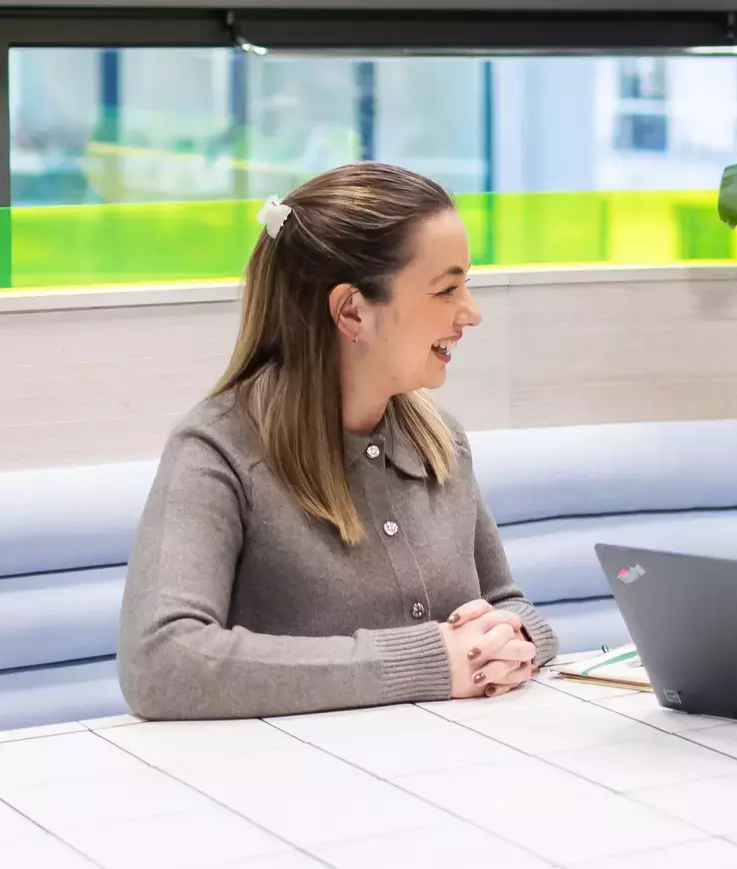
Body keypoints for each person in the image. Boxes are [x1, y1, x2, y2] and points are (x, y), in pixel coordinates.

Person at [119, 162, 552, 720]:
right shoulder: (215, 452)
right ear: (352, 311)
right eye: (447, 289)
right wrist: (426, 662)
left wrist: (515, 641)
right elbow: (161, 664)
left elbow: (508, 606)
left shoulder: (442, 442)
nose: (471, 312)